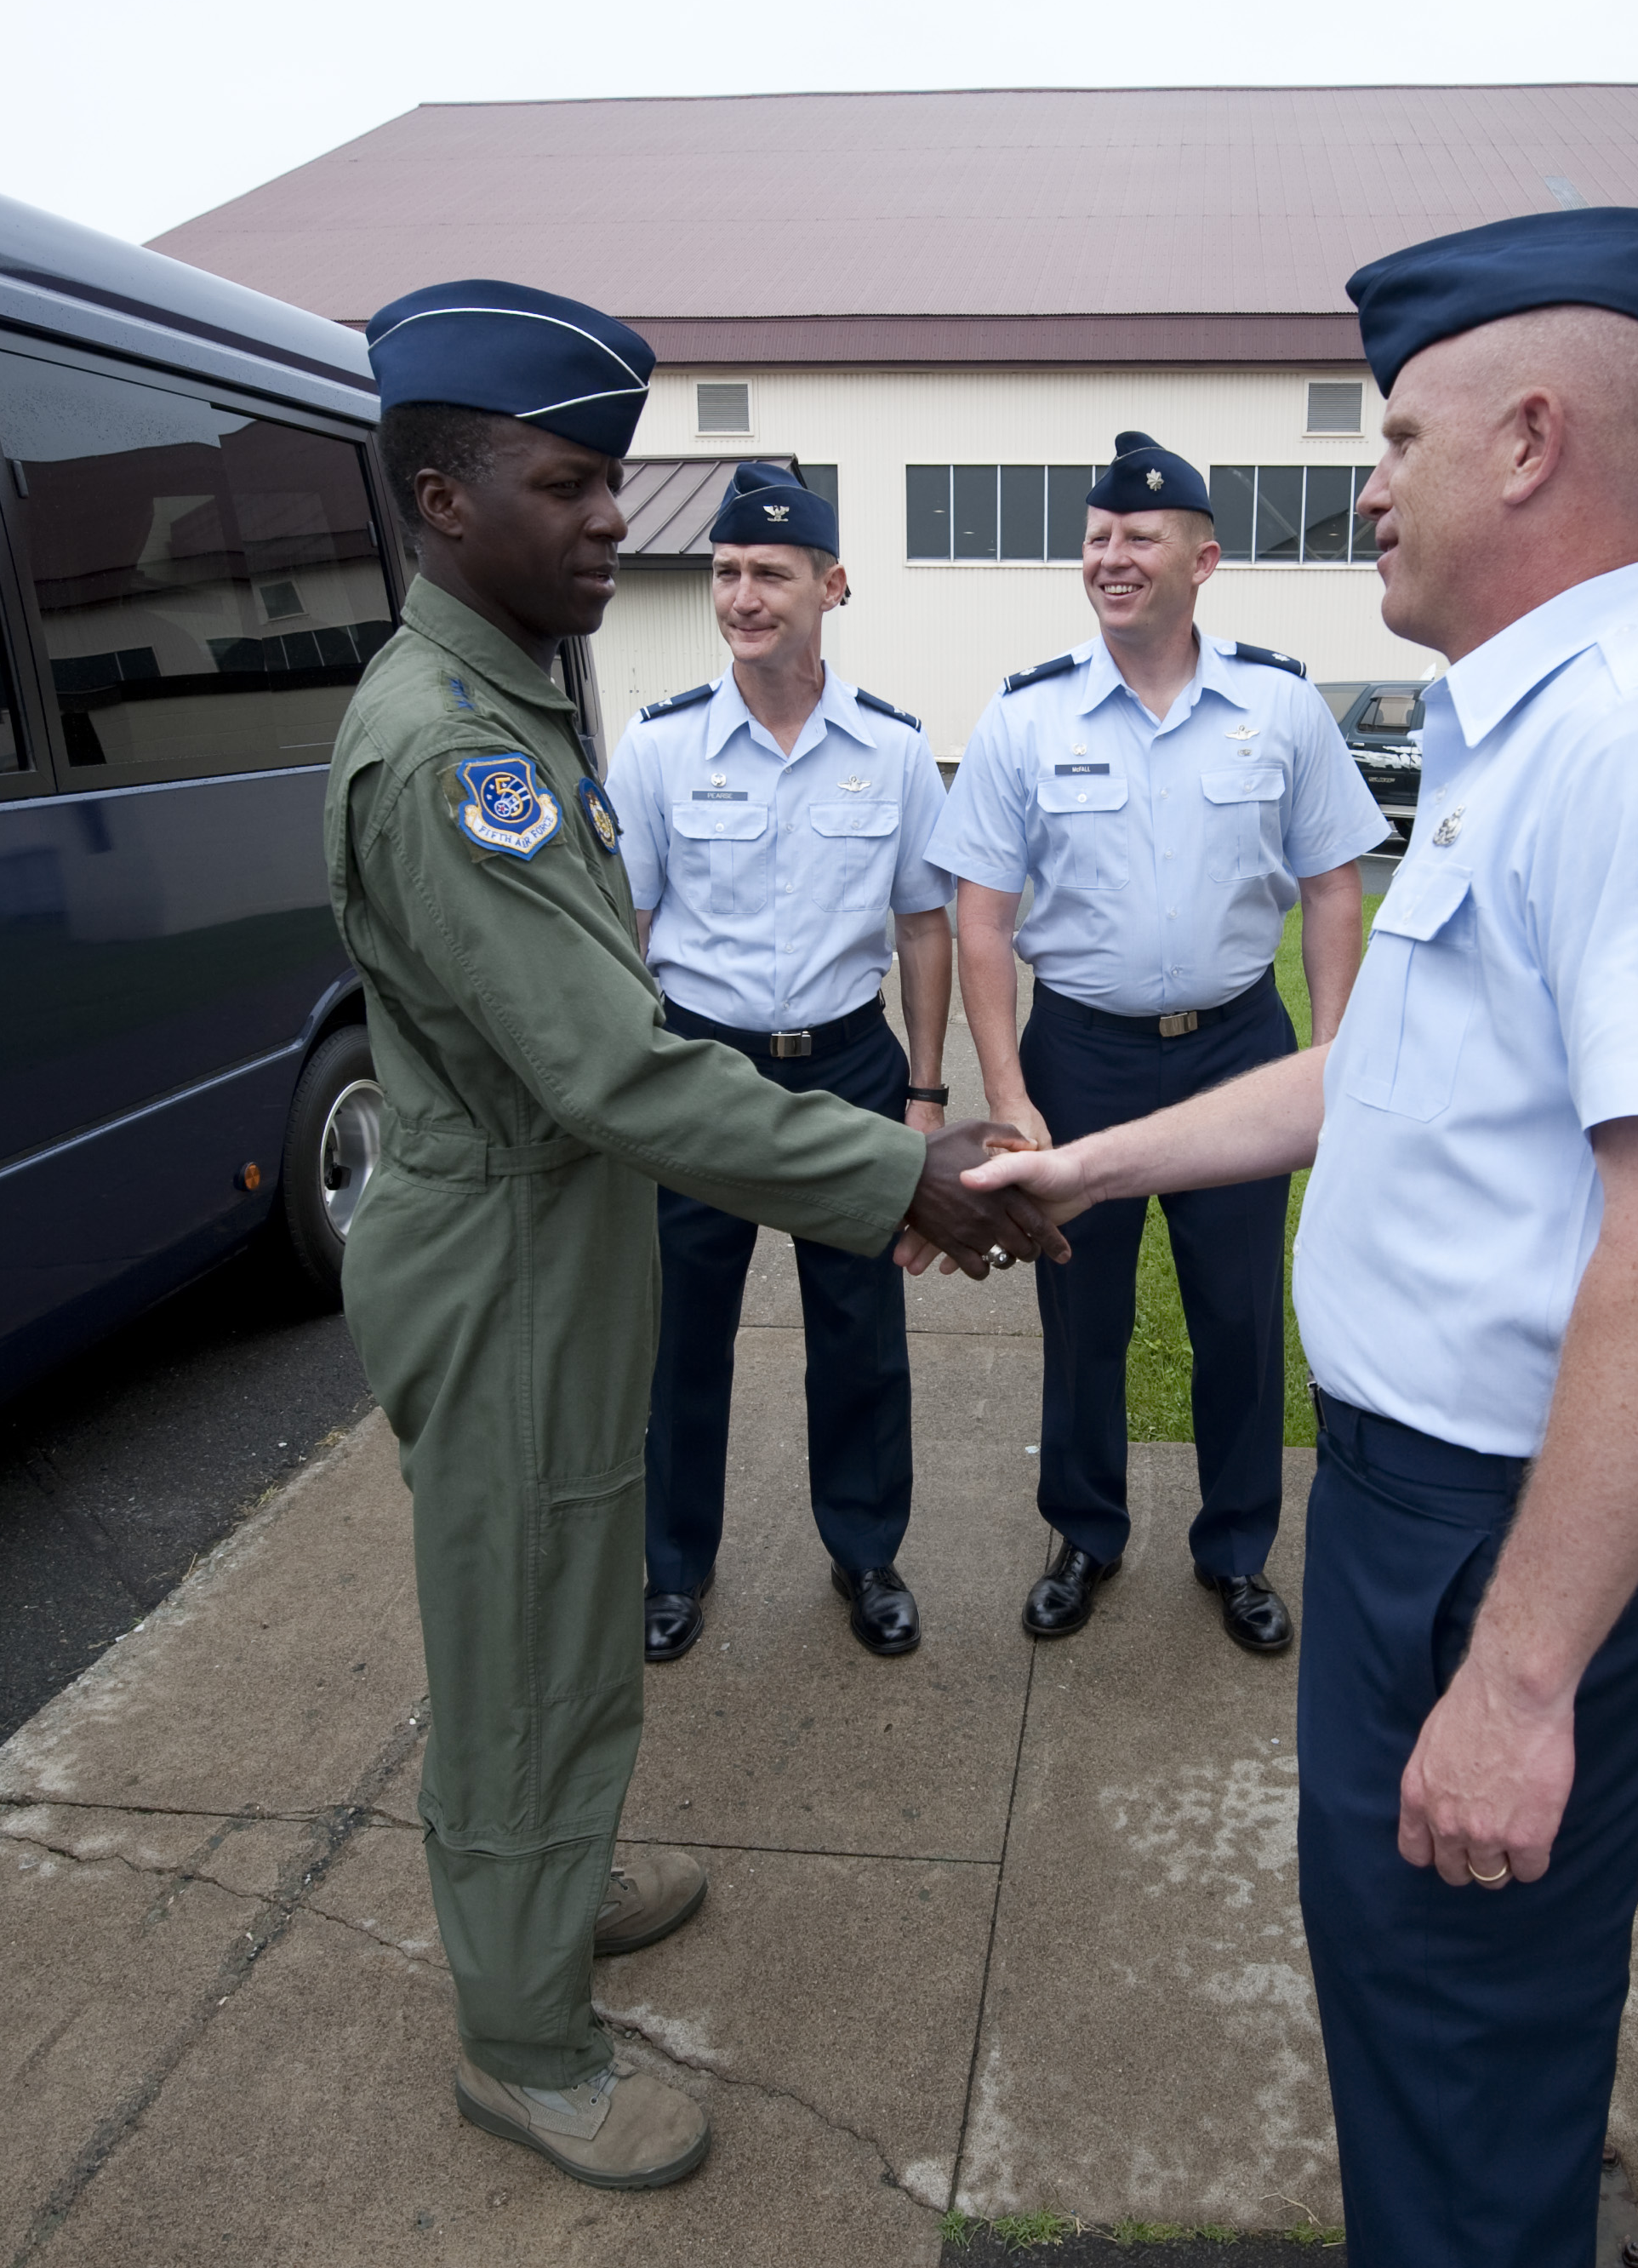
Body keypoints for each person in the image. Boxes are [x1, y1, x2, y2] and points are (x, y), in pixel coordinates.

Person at [964, 210, 1638, 2268]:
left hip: (1496, 1542)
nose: (1366, 484)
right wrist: (1083, 1169)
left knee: (1464, 2066)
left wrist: (1522, 1680)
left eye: (1398, 432)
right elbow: (1374, 1078)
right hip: (1403, 1518)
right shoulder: (1507, 738)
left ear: (1529, 443)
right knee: (1410, 2024)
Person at [322, 279, 1063, 2196]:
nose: (609, 526)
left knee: (572, 1596)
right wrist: (900, 1174)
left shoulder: (507, 696)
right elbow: (615, 1067)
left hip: (549, 1236)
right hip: (500, 1258)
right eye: (569, 485)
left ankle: (550, 1886)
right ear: (440, 498)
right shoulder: (447, 753)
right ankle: (521, 2033)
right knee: (515, 1636)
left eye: (611, 485)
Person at [927, 431, 1386, 1654]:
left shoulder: (1280, 707)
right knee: (1085, 1312)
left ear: (1203, 559)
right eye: (1095, 540)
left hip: (1242, 1046)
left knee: (1239, 1315)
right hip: (1084, 1054)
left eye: (1137, 539)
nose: (1110, 558)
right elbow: (981, 913)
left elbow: (1335, 886)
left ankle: (1236, 1548)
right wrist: (1009, 1090)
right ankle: (1085, 1530)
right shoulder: (1027, 718)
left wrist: (1330, 1062)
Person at [610, 463, 956, 1663]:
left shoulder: (898, 753)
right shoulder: (654, 750)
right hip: (701, 1068)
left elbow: (923, 924)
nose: (744, 597)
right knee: (679, 1329)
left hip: (849, 1064)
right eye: (726, 574)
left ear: (831, 584)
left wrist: (922, 1089)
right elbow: (627, 932)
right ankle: (670, 1568)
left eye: (770, 573)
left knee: (859, 1327)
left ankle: (867, 1555)